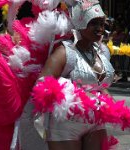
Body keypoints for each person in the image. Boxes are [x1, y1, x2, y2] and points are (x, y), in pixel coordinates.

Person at [34, 1, 115, 150]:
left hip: (96, 120)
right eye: (94, 23)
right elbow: (42, 85)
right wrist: (79, 98)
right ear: (79, 23)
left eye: (102, 24)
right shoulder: (66, 52)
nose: (100, 29)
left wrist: (112, 107)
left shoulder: (103, 52)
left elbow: (99, 86)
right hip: (66, 123)